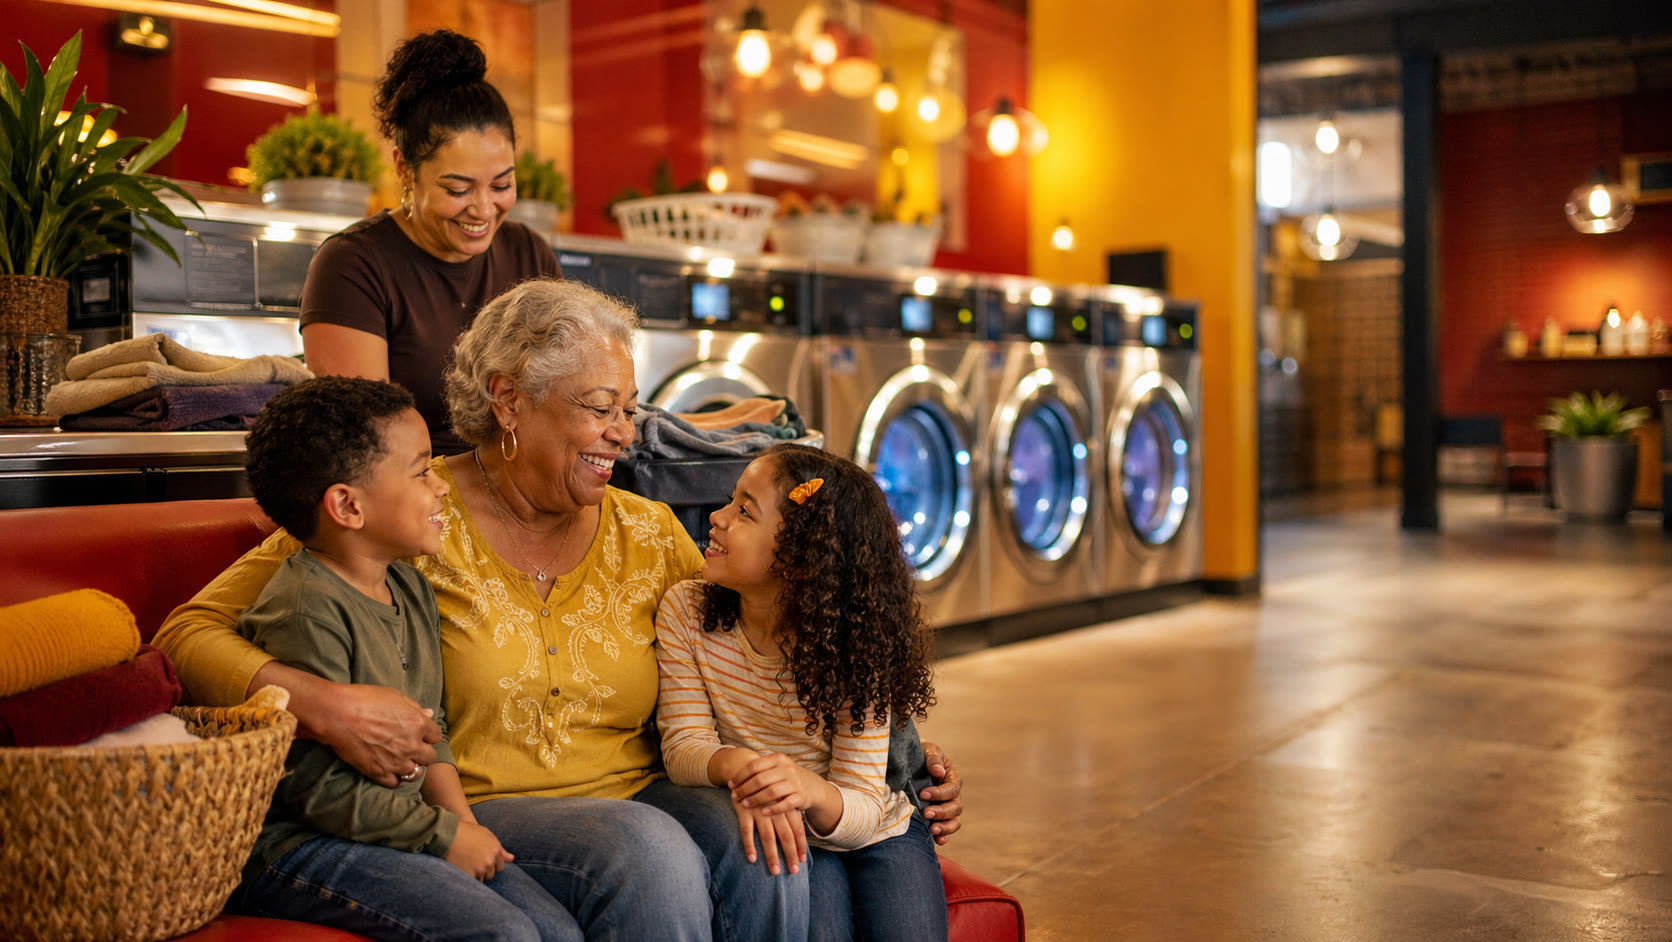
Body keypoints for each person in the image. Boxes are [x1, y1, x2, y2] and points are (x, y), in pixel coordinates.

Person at [154, 279, 964, 942]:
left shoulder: (648, 534)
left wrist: (901, 763)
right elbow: (184, 633)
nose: (627, 433)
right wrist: (325, 706)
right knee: (642, 849)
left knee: (764, 839)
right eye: (601, 407)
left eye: (629, 407)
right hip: (477, 803)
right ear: (508, 400)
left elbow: (790, 631)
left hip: (645, 790)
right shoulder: (406, 510)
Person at [230, 377, 579, 942]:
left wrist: (462, 823)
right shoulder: (305, 611)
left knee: (557, 931)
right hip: (302, 846)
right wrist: (441, 837)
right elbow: (313, 791)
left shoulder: (410, 586)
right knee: (503, 933)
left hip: (395, 828)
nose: (441, 486)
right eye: (421, 472)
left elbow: (429, 730)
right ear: (347, 505)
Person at [656, 444, 948, 942]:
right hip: (791, 831)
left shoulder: (855, 645)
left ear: (800, 560)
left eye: (744, 511)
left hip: (874, 827)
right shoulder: (687, 611)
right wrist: (740, 767)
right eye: (731, 500)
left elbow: (862, 810)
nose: (717, 517)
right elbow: (683, 747)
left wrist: (801, 786)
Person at [300, 28, 558, 456]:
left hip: (522, 487)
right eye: (457, 189)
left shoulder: (529, 253)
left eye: (502, 184)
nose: (483, 209)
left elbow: (560, 397)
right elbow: (365, 442)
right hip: (412, 495)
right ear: (405, 169)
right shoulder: (351, 266)